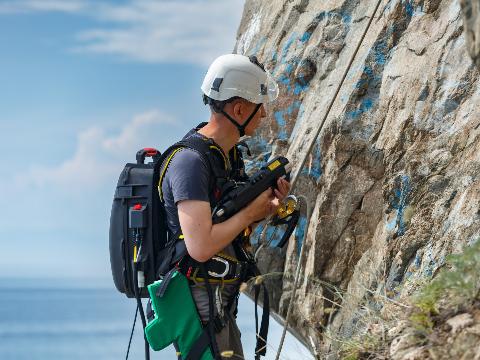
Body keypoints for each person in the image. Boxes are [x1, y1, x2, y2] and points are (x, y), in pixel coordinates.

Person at [159, 54, 290, 358]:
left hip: (217, 298)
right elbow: (201, 246)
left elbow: (222, 231)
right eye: (260, 107)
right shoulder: (190, 163)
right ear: (239, 109)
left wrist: (263, 211)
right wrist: (249, 212)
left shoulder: (226, 157)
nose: (265, 115)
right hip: (200, 303)